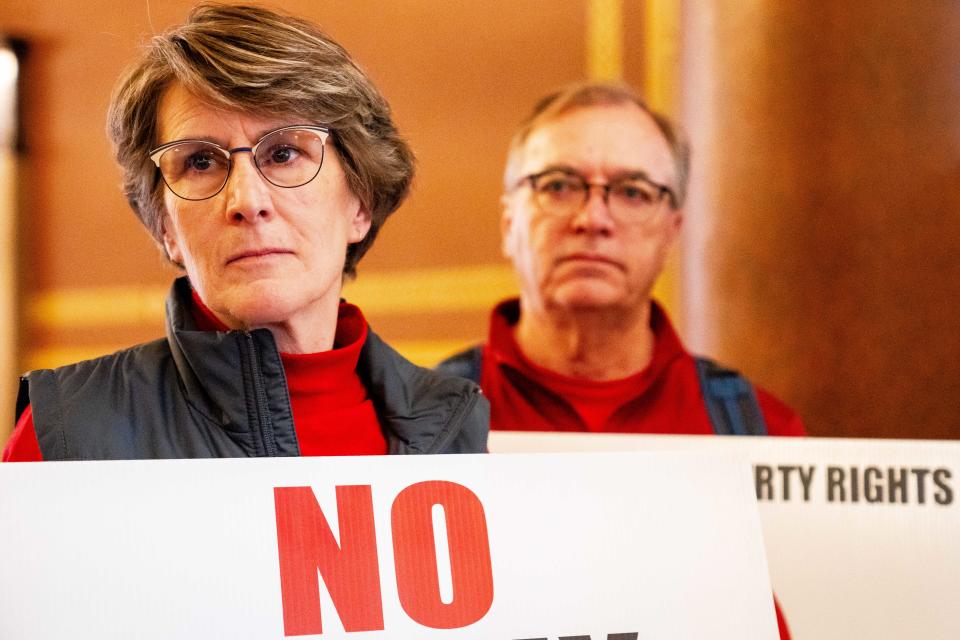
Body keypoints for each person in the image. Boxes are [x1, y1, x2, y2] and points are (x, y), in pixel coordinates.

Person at [3, 3, 487, 462]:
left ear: (360, 202)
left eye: (283, 154)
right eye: (200, 161)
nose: (247, 202)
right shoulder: (64, 436)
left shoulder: (458, 428)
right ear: (167, 226)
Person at [436, 81, 803, 638]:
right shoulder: (419, 425)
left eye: (632, 192)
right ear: (509, 222)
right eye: (558, 185)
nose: (593, 218)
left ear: (672, 231)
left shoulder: (761, 433)